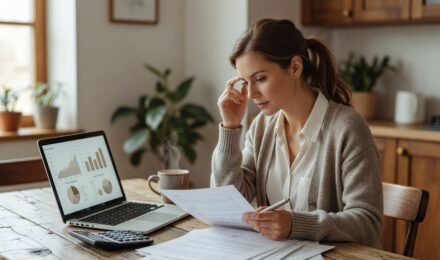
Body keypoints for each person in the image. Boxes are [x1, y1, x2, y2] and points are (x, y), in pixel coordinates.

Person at [211, 18, 383, 248]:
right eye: (245, 82)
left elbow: (368, 223)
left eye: (260, 79)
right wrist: (230, 128)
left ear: (295, 67)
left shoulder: (347, 128)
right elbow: (226, 203)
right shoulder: (261, 127)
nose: (251, 93)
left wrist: (295, 224)